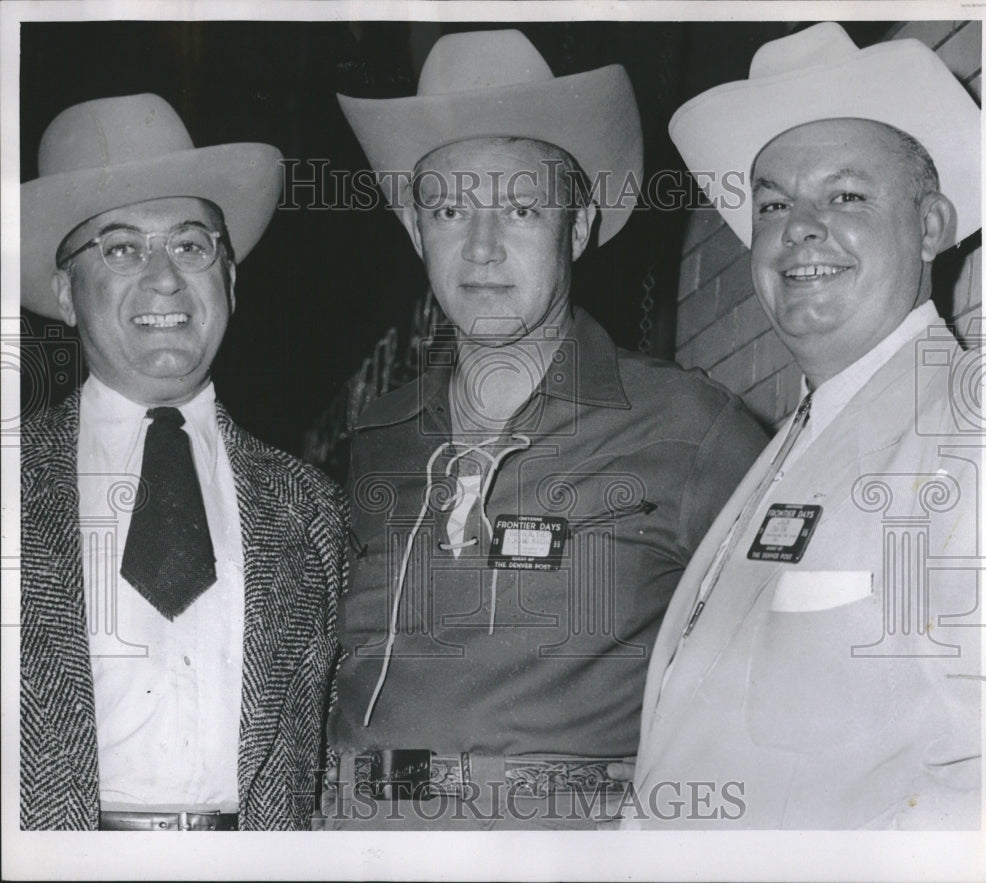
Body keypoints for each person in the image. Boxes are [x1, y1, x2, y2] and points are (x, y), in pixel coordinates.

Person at [326, 29, 767, 829]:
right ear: (418, 232)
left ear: (578, 227)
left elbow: (784, 676)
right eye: (451, 208)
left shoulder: (690, 429)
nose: (483, 246)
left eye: (523, 207)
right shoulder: (381, 434)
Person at [627, 23, 986, 829]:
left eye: (847, 195)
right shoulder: (788, 444)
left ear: (930, 226)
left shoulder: (970, 432)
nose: (800, 227)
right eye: (775, 203)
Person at [20, 94, 349, 831]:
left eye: (191, 245)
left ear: (229, 279)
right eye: (121, 247)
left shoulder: (313, 508)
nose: (165, 278)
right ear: (65, 292)